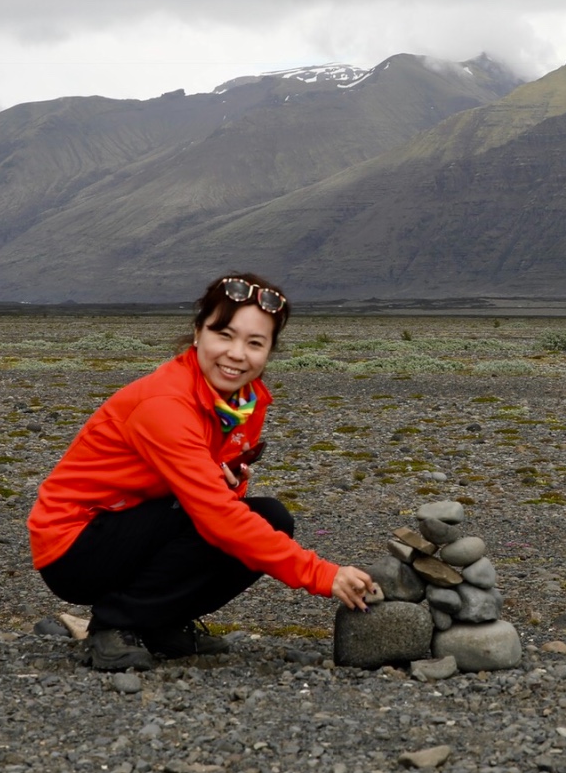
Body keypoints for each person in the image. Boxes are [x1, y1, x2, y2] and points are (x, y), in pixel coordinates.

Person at [28, 273, 377, 672]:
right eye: (224, 335)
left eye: (255, 343)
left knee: (271, 519)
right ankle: (113, 624)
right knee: (216, 520)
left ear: (269, 352)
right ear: (198, 334)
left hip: (138, 520)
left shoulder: (244, 403)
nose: (236, 354)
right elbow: (215, 515)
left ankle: (158, 622)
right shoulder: (166, 403)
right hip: (74, 544)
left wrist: (218, 484)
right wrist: (323, 575)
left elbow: (225, 500)